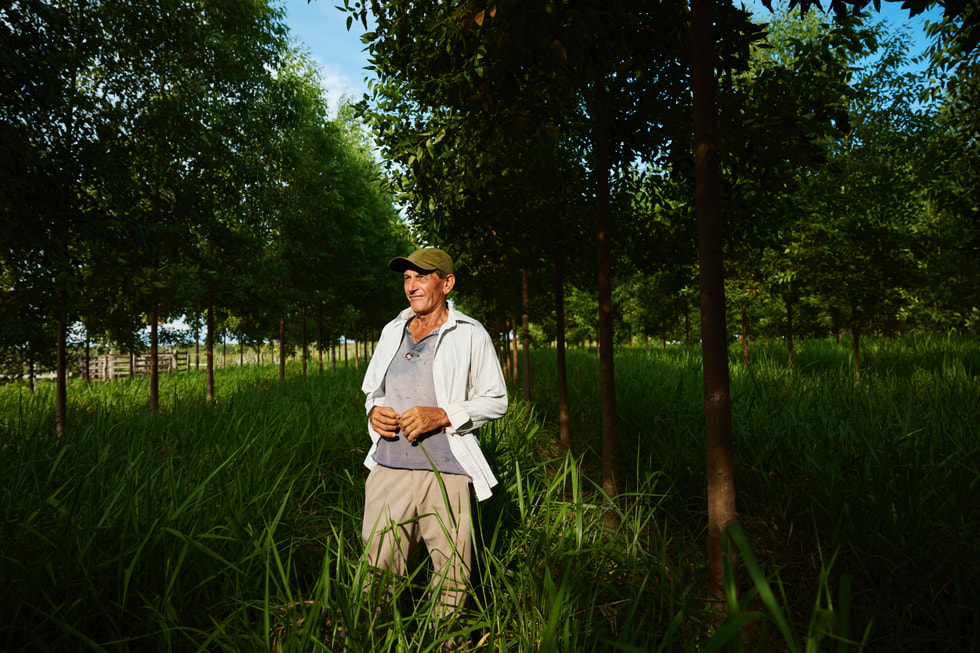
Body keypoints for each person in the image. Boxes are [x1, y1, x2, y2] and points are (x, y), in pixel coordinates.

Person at [359, 247, 508, 630]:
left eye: (421, 277)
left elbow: (496, 400)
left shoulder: (470, 333)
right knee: (377, 565)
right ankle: (368, 634)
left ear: (447, 282)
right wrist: (374, 412)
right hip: (389, 466)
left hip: (446, 469)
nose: (411, 286)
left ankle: (445, 638)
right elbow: (371, 392)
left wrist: (442, 414)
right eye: (407, 278)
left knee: (451, 570)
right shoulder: (392, 330)